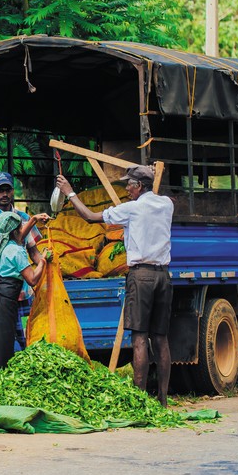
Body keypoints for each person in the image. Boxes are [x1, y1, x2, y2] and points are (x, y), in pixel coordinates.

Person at [56, 166, 174, 407]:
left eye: (129, 185)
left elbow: (89, 217)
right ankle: (162, 400)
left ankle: (140, 401)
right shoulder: (166, 205)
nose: (126, 189)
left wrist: (69, 193)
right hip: (163, 276)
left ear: (139, 186)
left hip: (141, 276)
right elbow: (163, 198)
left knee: (140, 338)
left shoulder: (132, 209)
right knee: (160, 339)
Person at [0, 172, 44, 350]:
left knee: (28, 338)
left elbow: (34, 252)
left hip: (23, 292)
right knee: (1, 339)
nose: (4, 194)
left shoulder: (24, 219)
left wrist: (46, 270)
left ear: (13, 191)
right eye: (0, 190)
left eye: (8, 189)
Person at [0, 211, 50, 373]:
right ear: (15, 231)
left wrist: (33, 220)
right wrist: (43, 260)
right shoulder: (16, 251)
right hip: (6, 304)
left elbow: (17, 236)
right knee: (2, 342)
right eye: (20, 228)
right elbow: (32, 279)